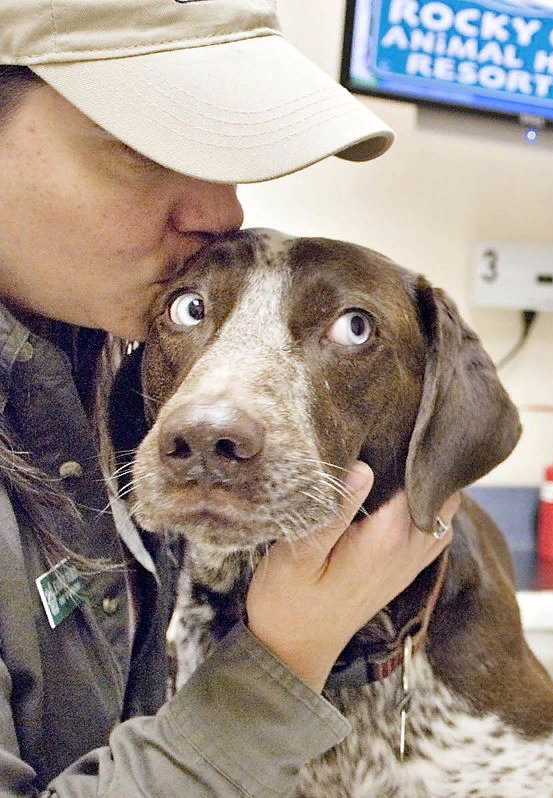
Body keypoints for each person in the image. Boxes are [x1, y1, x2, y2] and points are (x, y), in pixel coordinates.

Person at [0, 0, 458, 794]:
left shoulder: (99, 362)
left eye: (224, 156)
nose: (222, 213)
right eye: (144, 147)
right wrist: (284, 658)